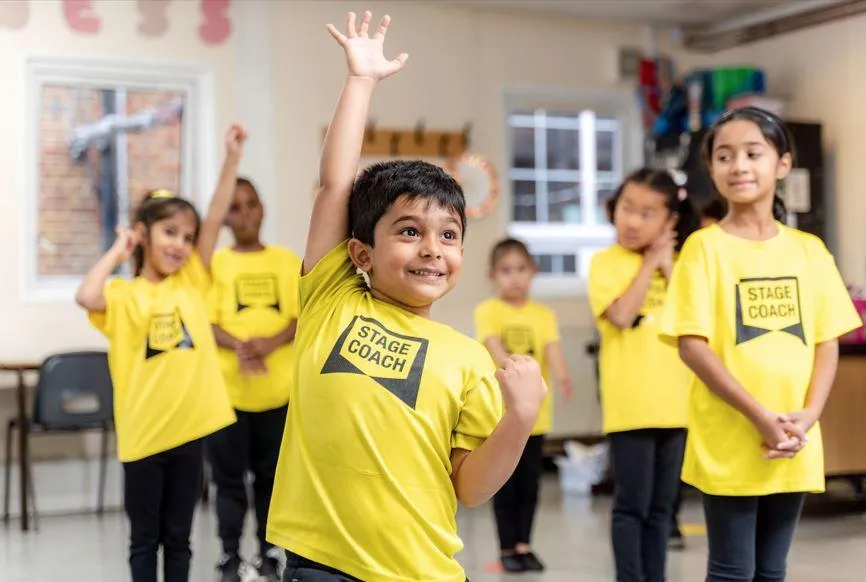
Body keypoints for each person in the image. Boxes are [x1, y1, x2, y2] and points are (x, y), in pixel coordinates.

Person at [264, 10, 546, 582]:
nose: (433, 249)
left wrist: (519, 418)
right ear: (361, 253)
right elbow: (335, 186)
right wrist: (360, 81)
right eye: (410, 231)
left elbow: (471, 486)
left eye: (449, 235)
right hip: (320, 565)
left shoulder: (468, 359)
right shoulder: (333, 298)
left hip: (423, 571)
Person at [659, 106, 861, 582]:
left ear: (782, 164)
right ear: (711, 170)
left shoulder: (809, 250)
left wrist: (808, 416)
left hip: (793, 436)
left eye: (753, 153)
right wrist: (759, 416)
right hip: (730, 435)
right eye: (724, 156)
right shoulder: (703, 248)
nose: (739, 166)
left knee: (772, 571)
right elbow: (692, 346)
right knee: (732, 571)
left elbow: (826, 341)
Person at [76, 125, 246, 582]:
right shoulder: (123, 295)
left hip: (188, 433)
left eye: (187, 237)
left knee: (179, 539)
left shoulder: (191, 281)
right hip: (144, 437)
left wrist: (232, 158)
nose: (180, 245)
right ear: (143, 235)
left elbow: (215, 216)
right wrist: (119, 250)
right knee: (143, 541)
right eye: (169, 232)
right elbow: (86, 295)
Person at [588, 167, 700, 582]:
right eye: (627, 208)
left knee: (662, 510)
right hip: (630, 409)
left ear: (670, 220)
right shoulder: (605, 262)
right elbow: (620, 315)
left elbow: (694, 315)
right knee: (631, 507)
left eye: (648, 213)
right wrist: (650, 262)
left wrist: (667, 265)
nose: (633, 221)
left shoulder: (681, 263)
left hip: (678, 407)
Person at [209, 177, 301, 581]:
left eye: (251, 204)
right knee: (228, 481)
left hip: (278, 393)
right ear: (225, 218)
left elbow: (300, 316)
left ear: (262, 208)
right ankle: (230, 555)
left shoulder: (286, 261)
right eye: (235, 207)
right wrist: (240, 346)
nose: (245, 214)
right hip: (226, 394)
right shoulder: (215, 265)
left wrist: (270, 343)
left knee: (272, 479)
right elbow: (205, 321)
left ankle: (269, 552)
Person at [475, 238, 574, 573]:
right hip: (503, 415)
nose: (514, 277)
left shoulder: (543, 315)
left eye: (521, 269)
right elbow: (494, 346)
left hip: (535, 416)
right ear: (492, 276)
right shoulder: (488, 311)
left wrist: (563, 375)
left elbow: (553, 349)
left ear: (533, 272)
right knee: (505, 484)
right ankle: (506, 547)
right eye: (505, 271)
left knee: (530, 485)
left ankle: (524, 546)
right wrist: (514, 369)